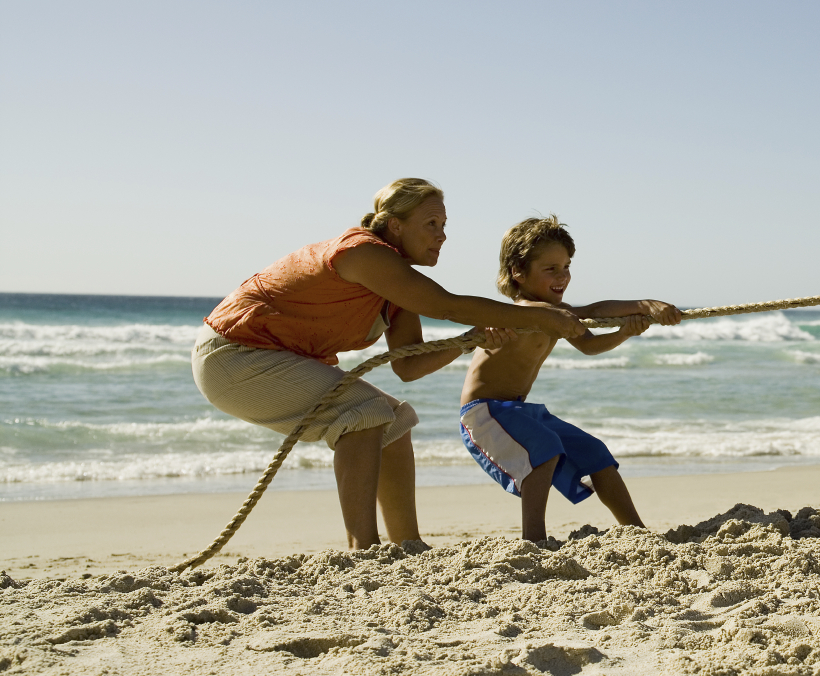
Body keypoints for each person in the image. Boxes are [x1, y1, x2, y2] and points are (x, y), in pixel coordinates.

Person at [194, 178, 587, 550]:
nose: (442, 235)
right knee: (363, 411)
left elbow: (409, 367)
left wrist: (468, 342)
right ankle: (362, 549)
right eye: (431, 223)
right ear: (395, 226)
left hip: (267, 358)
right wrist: (538, 317)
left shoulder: (395, 286)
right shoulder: (363, 252)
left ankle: (407, 545)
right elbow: (446, 305)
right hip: (233, 355)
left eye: (445, 224)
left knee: (395, 421)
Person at [458, 216, 682, 542]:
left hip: (519, 411)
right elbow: (588, 312)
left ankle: (637, 532)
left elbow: (589, 342)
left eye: (566, 266)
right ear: (518, 272)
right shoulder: (525, 312)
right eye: (551, 269)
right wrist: (640, 305)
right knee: (545, 447)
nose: (563, 276)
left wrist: (629, 326)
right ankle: (533, 539)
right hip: (484, 413)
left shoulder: (556, 314)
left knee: (595, 453)